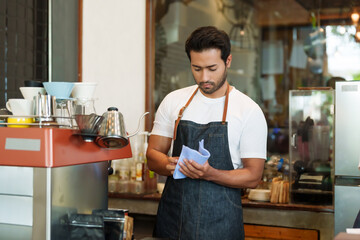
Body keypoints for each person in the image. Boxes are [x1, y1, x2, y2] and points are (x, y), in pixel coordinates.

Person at [146, 26, 268, 240]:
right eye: (197, 68)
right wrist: (170, 164)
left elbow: (253, 176)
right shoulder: (174, 101)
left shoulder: (248, 111)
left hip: (221, 226)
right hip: (173, 221)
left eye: (212, 68)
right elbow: (152, 155)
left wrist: (210, 173)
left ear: (227, 61)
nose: (204, 77)